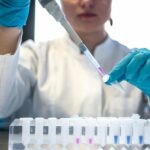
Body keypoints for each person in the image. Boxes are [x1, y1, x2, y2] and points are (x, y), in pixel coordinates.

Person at [0, 0, 150, 128]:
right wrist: (7, 28)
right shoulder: (36, 56)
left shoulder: (137, 66)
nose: (86, 2)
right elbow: (2, 108)